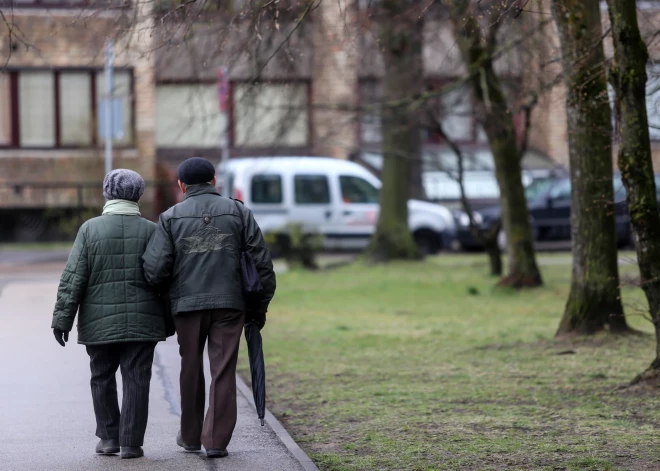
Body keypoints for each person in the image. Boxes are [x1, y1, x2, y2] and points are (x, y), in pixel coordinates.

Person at [142, 157, 276, 458]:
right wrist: (258, 307)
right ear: (214, 181)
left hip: (187, 306)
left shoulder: (170, 217)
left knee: (190, 368)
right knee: (223, 369)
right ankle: (215, 440)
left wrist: (169, 295)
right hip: (231, 304)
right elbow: (262, 265)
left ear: (181, 185)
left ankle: (190, 437)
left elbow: (155, 269)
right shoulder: (239, 212)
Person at [51, 169, 173, 460]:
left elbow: (73, 277)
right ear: (138, 195)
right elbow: (166, 278)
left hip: (98, 322)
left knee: (101, 376)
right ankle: (131, 443)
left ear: (107, 193)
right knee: (137, 379)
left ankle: (108, 438)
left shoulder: (89, 230)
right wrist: (168, 321)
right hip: (144, 321)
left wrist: (62, 319)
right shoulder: (152, 230)